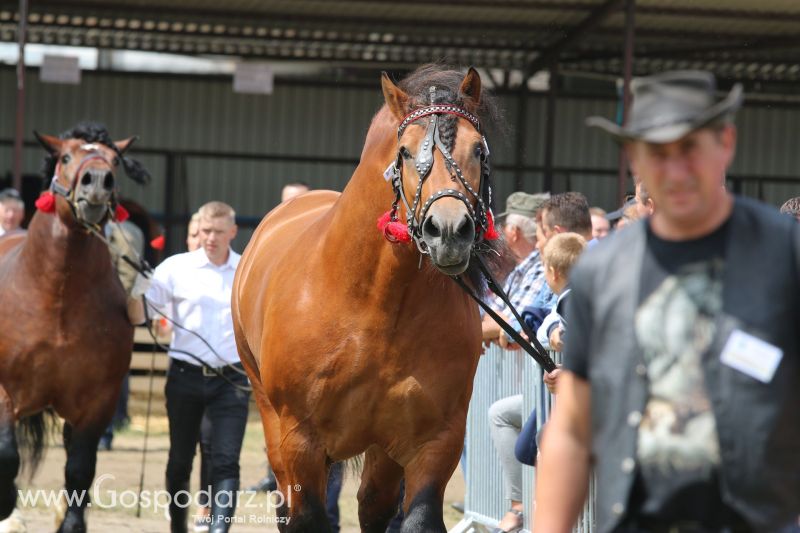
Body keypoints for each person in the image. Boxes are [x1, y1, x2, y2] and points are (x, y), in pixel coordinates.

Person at [535, 70, 800, 532]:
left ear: (727, 143)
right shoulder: (604, 270)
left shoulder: (784, 254)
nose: (675, 170)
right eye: (657, 153)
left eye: (690, 148)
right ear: (634, 159)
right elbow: (573, 430)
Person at [134, 201, 249, 533]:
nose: (209, 238)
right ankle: (179, 526)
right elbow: (145, 315)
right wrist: (138, 286)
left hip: (231, 379)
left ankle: (218, 528)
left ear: (232, 232)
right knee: (180, 460)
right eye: (204, 231)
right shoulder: (175, 268)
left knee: (225, 460)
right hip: (184, 375)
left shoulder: (245, 270)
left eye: (217, 232)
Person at [514, 232, 586, 470]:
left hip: (587, 401)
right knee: (531, 444)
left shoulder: (571, 300)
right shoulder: (573, 297)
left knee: (540, 442)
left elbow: (589, 344)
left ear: (553, 272)